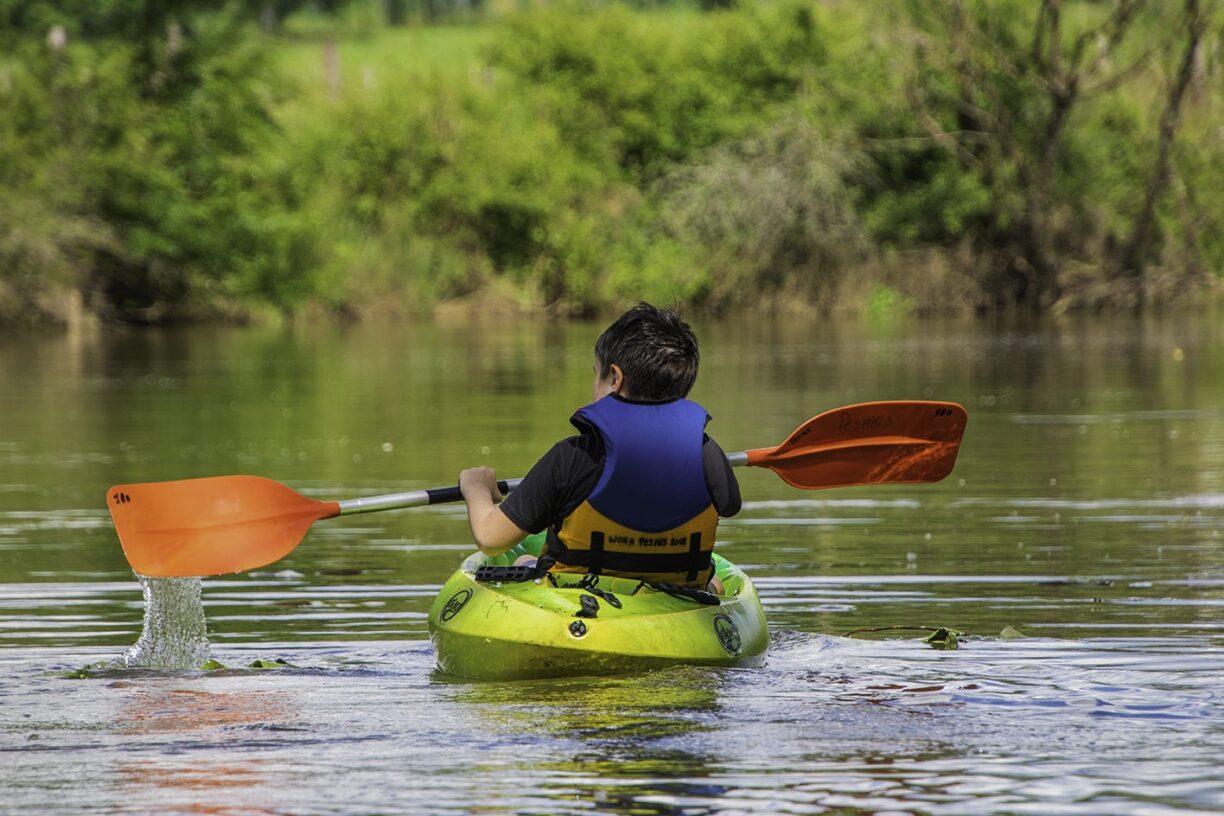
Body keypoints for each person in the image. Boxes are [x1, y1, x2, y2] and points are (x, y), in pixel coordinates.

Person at [458, 302, 740, 591]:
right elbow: (729, 505)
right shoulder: (707, 452)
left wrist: (476, 487)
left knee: (524, 560)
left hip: (580, 600)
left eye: (597, 373)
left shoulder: (575, 455)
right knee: (714, 581)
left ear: (615, 379)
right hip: (677, 599)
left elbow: (491, 538)